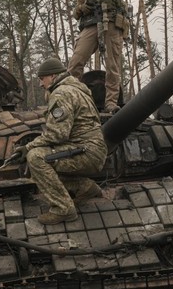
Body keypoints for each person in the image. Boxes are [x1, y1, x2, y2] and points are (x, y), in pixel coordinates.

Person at [8, 57, 107, 225]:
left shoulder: (61, 93)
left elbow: (57, 134)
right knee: (44, 168)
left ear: (53, 76)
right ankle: (85, 188)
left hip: (85, 151)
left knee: (36, 158)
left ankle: (63, 209)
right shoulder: (77, 89)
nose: (40, 84)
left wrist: (28, 147)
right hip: (90, 150)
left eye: (42, 78)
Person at [68, 0, 136, 113]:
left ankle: (111, 103)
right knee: (75, 63)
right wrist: (84, 8)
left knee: (113, 67)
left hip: (111, 25)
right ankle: (74, 101)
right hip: (90, 26)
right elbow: (76, 13)